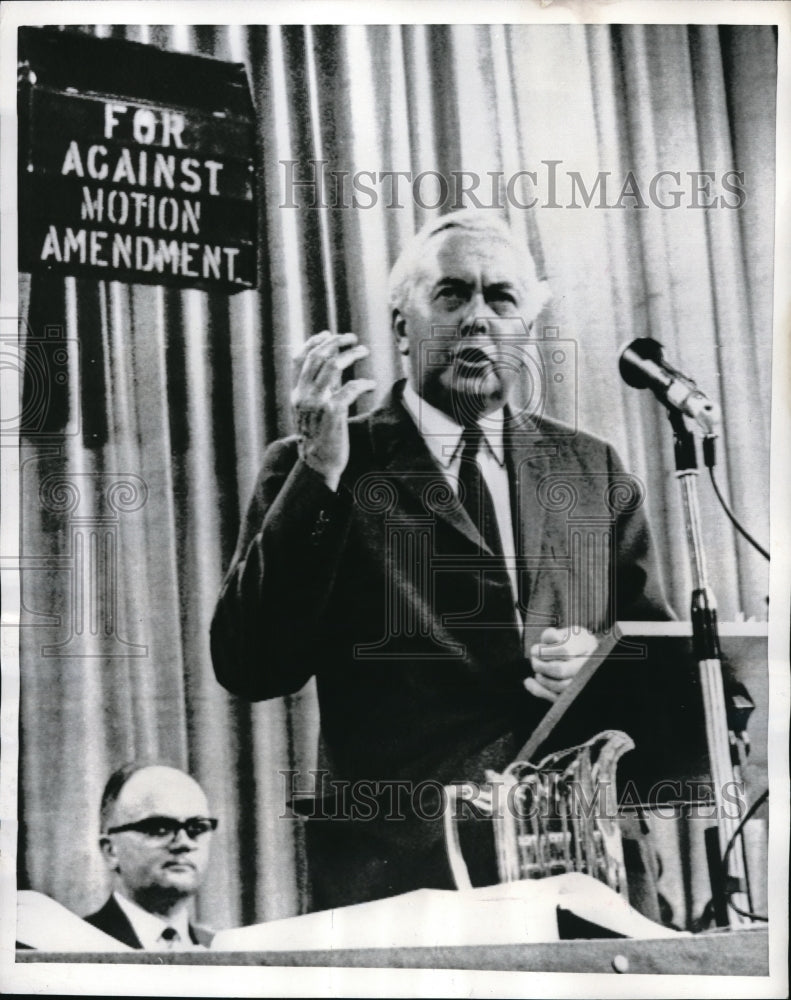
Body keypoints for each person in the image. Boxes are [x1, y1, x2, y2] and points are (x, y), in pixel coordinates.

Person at [211, 209, 672, 911]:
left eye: (500, 298)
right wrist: (320, 477)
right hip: (401, 879)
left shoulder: (589, 468)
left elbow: (663, 664)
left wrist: (597, 674)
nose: (477, 319)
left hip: (586, 877)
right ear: (402, 326)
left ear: (525, 329)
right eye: (451, 295)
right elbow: (251, 663)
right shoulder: (324, 463)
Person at [84, 763, 216, 949]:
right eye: (159, 828)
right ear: (111, 850)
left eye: (197, 828)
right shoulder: (70, 947)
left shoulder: (224, 951)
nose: (184, 842)